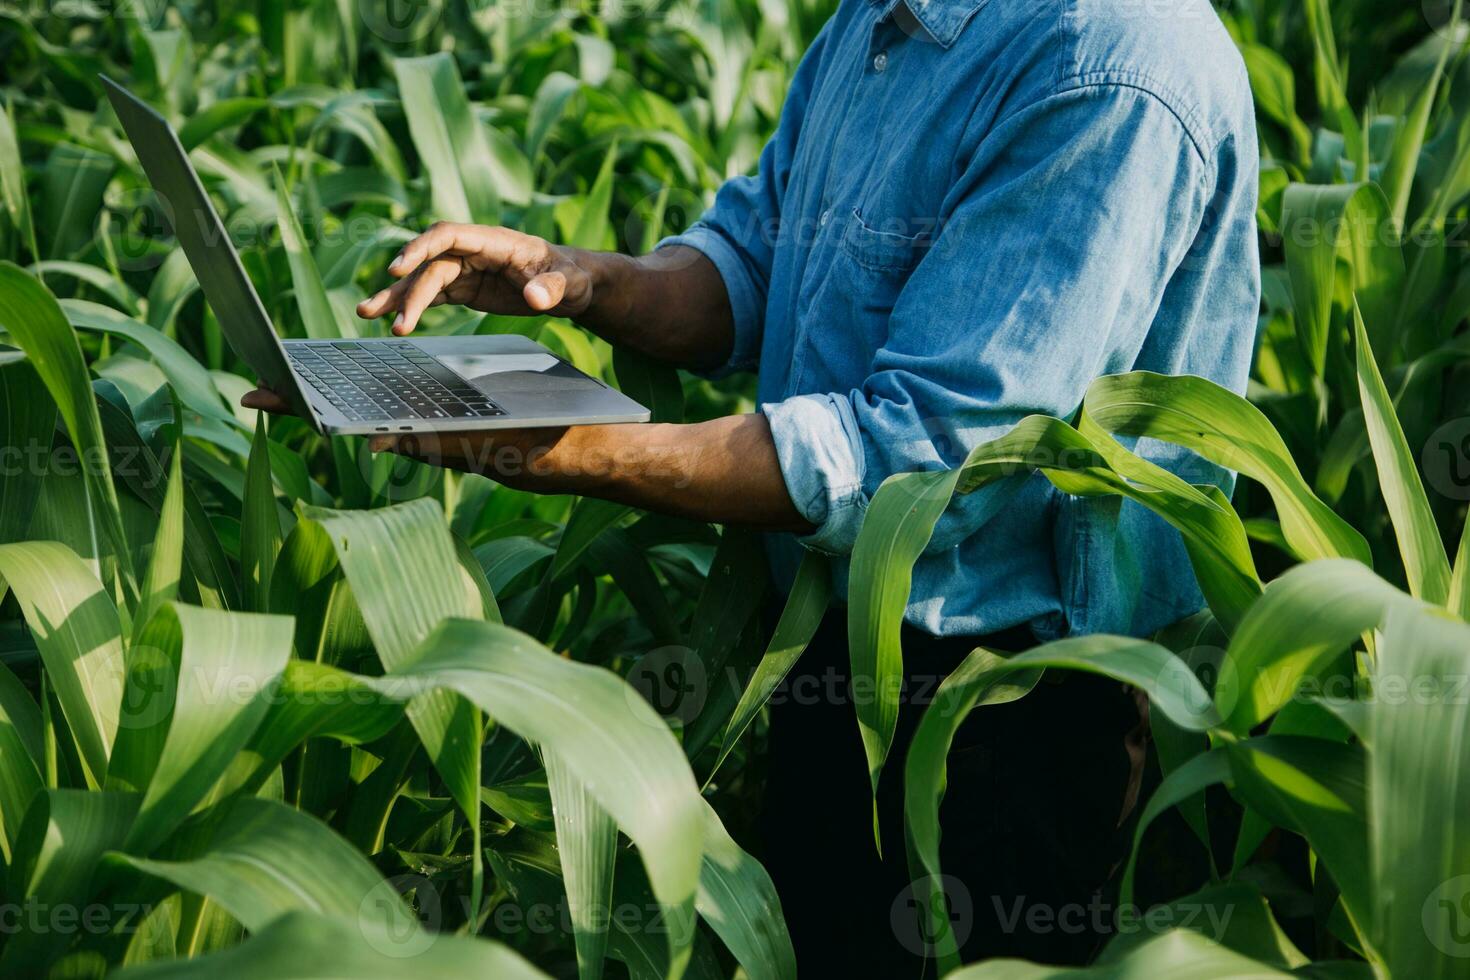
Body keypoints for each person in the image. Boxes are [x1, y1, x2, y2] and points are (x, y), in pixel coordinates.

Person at [246, 0, 1257, 967]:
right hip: (830, 636)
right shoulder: (892, 13)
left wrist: (569, 450)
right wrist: (596, 281)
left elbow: (923, 462)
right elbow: (763, 253)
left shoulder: (1111, 66)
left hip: (997, 714)